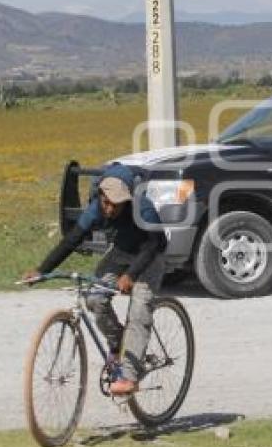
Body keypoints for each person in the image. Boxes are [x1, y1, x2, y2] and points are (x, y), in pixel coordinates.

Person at [22, 164, 166, 395]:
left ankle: (129, 377)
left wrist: (131, 275)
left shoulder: (143, 208)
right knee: (94, 298)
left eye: (116, 205)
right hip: (120, 252)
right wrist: (42, 270)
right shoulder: (94, 209)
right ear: (100, 195)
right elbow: (72, 240)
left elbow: (154, 244)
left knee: (139, 310)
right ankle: (119, 343)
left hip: (149, 257)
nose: (109, 209)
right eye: (106, 202)